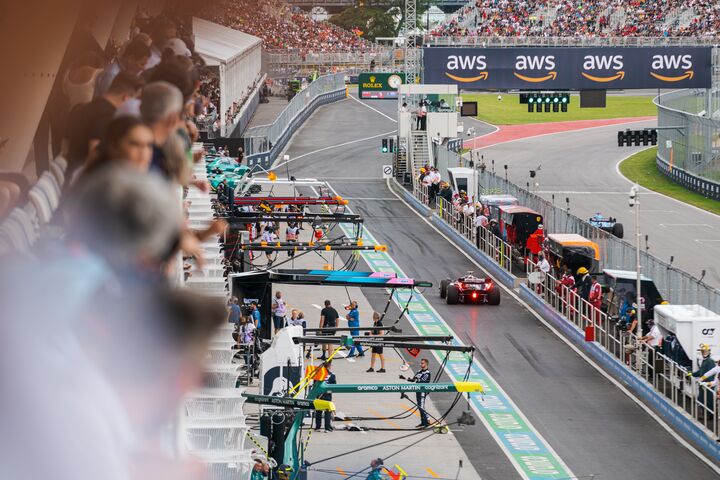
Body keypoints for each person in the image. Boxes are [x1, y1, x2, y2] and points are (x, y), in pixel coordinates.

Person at [65, 72, 145, 178]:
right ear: (126, 98)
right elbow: (95, 152)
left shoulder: (81, 108)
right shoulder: (107, 116)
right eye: (136, 99)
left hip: (70, 175)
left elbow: (65, 146)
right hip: (85, 184)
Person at [80, 116, 154, 178]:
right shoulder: (98, 182)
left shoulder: (150, 182)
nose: (144, 153)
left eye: (149, 145)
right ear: (113, 147)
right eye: (135, 144)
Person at [400, 358, 432, 428]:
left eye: (422, 363)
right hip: (418, 391)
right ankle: (423, 422)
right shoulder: (419, 371)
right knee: (419, 406)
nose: (421, 364)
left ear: (426, 364)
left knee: (421, 406)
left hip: (423, 391)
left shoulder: (427, 373)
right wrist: (405, 378)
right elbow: (413, 379)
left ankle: (427, 421)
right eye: (421, 363)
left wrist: (416, 379)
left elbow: (422, 381)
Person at [314, 361, 336, 432]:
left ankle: (317, 427)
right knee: (327, 411)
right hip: (327, 395)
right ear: (329, 366)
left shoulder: (318, 374)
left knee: (318, 411)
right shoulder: (332, 375)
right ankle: (327, 428)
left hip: (319, 395)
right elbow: (334, 387)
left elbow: (315, 385)